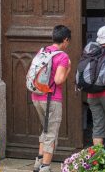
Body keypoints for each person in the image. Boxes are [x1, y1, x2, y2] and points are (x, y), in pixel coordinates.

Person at [32, 25, 72, 172]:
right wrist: (68, 69)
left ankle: (38, 161)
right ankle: (45, 167)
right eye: (68, 41)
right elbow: (59, 80)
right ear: (65, 39)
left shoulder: (42, 51)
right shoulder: (62, 56)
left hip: (36, 96)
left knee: (45, 129)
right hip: (51, 98)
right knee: (51, 132)